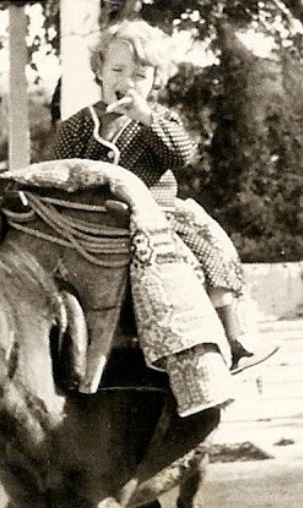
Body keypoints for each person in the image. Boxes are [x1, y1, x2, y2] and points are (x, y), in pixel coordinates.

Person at [50, 20, 278, 369]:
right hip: (94, 219)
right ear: (99, 70)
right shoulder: (78, 126)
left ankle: (232, 339)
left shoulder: (160, 121)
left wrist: (148, 120)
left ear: (157, 80)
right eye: (118, 70)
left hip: (158, 217)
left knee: (210, 254)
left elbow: (183, 154)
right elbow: (56, 169)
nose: (127, 82)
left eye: (141, 75)